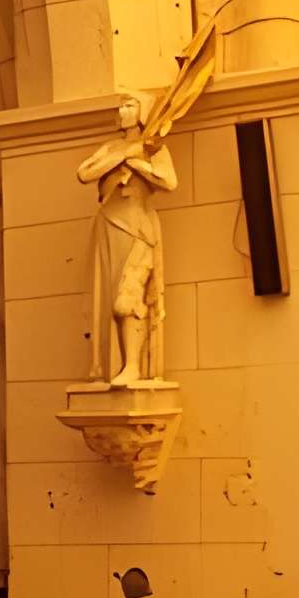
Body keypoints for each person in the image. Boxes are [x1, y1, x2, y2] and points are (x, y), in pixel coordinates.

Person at [77, 96, 177, 384]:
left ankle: (133, 366)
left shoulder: (153, 148)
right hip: (110, 224)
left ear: (142, 111)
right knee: (110, 300)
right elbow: (84, 173)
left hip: (139, 227)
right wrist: (122, 156)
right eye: (121, 106)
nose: (122, 111)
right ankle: (119, 364)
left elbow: (169, 182)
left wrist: (138, 161)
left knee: (127, 299)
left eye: (129, 105)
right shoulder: (111, 148)